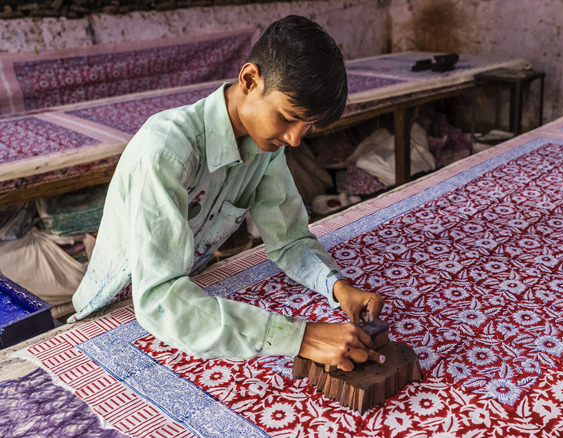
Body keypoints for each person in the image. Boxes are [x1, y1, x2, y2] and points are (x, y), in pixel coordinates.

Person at [68, 15, 385, 371]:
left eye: (306, 126)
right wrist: (301, 337)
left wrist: (337, 287)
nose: (295, 138)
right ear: (250, 80)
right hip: (117, 312)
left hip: (186, 297)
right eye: (287, 117)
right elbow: (157, 299)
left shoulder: (266, 148)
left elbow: (289, 240)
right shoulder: (167, 151)